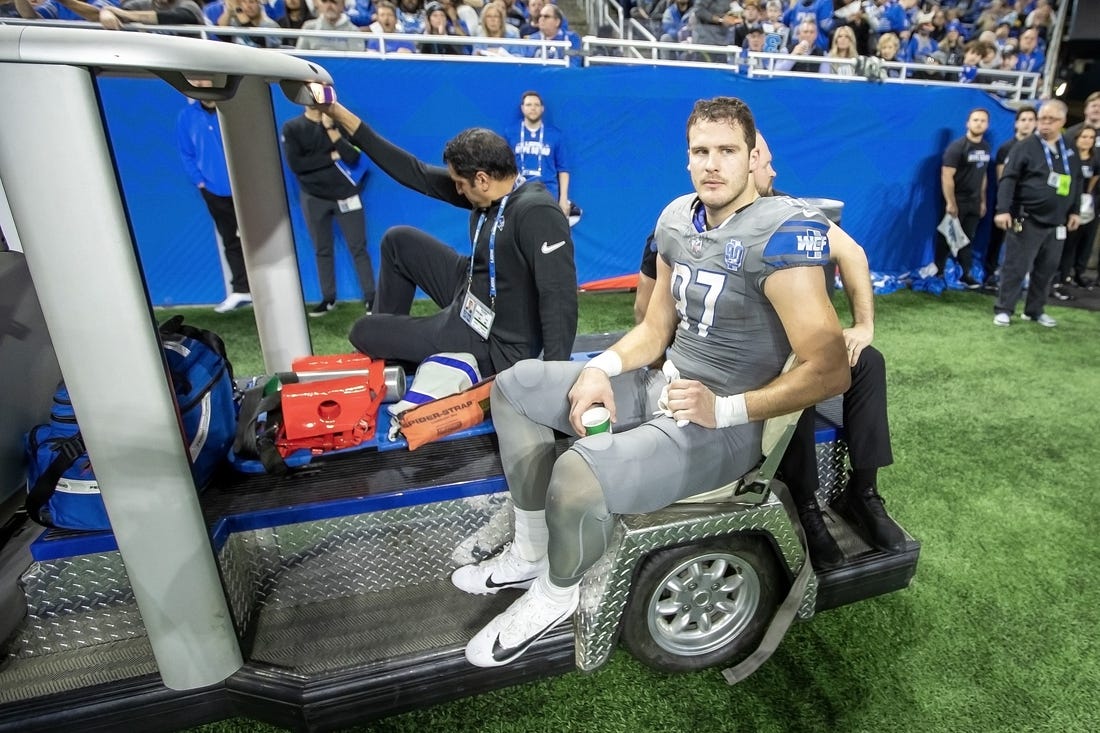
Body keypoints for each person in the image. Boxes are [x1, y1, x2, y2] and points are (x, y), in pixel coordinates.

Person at [450, 96, 850, 668]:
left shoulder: (780, 234)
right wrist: (600, 369)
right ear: (687, 158)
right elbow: (656, 326)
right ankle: (533, 551)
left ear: (752, 155)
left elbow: (830, 368)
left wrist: (729, 410)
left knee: (576, 469)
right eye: (700, 151)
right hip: (664, 384)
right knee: (515, 387)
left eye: (728, 151)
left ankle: (557, 594)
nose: (712, 164)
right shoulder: (676, 218)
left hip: (720, 426)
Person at [633, 130, 904, 567]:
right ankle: (806, 506)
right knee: (786, 375)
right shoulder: (679, 226)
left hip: (784, 346)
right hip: (724, 359)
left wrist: (863, 326)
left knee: (865, 361)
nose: (773, 170)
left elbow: (852, 252)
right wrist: (666, 360)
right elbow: (647, 309)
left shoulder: (789, 215)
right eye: (763, 159)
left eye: (733, 151)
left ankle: (864, 491)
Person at [312, 90, 577, 378]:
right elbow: (417, 173)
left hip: (496, 343)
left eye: (460, 183)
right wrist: (336, 112)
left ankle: (396, 351)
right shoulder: (489, 192)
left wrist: (554, 379)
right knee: (398, 241)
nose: (457, 189)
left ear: (482, 179)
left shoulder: (536, 212)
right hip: (475, 288)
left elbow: (559, 297)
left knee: (364, 331)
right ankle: (394, 357)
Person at [993, 100, 1082, 328]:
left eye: (1051, 120)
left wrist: (1075, 211)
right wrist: (1003, 209)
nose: (1045, 124)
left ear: (1062, 121)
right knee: (1016, 267)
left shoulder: (1070, 147)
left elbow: (1076, 182)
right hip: (1027, 218)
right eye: (1042, 119)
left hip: (1057, 222)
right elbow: (1008, 179)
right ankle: (1004, 309)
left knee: (1047, 269)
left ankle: (1035, 310)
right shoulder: (1025, 146)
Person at [281, 105, 376, 316]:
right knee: (322, 249)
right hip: (313, 197)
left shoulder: (340, 124)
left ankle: (371, 298)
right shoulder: (292, 128)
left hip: (347, 195)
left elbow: (352, 157)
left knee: (359, 248)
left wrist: (331, 130)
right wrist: (331, 157)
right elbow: (297, 165)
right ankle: (328, 299)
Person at [176, 93, 252, 314]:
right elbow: (186, 153)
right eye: (197, 81)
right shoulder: (187, 117)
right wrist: (200, 181)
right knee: (230, 239)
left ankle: (266, 287)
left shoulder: (233, 111)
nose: (202, 85)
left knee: (257, 239)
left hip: (246, 189)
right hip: (214, 191)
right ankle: (241, 289)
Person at [936, 108, 991, 289]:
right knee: (948, 236)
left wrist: (982, 200)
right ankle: (939, 271)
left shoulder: (986, 147)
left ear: (987, 124)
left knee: (967, 238)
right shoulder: (957, 147)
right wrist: (951, 202)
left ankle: (965, 273)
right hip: (957, 201)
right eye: (975, 120)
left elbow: (983, 175)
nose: (979, 123)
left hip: (974, 202)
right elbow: (946, 175)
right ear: (967, 123)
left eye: (983, 120)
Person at [984, 106, 1037, 290]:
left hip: (1029, 205)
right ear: (1016, 123)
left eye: (1031, 119)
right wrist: (1004, 204)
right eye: (1023, 119)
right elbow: (1002, 179)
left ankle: (1023, 275)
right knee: (998, 238)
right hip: (1007, 203)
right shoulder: (1006, 148)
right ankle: (992, 273)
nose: (1027, 123)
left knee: (1024, 240)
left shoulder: (1040, 149)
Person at [504, 91, 571, 218]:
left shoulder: (555, 135)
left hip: (547, 191)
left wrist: (563, 198)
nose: (533, 108)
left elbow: (563, 169)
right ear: (522, 108)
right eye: (529, 105)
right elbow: (504, 166)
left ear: (542, 108)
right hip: (518, 191)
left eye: (536, 105)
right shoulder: (510, 132)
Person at [1054, 126, 1098, 295]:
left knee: (1075, 244)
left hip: (1083, 207)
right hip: (1063, 205)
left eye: (1091, 137)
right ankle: (1053, 278)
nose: (1087, 140)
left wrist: (1084, 200)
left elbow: (1092, 181)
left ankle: (1064, 278)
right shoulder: (1067, 158)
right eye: (1084, 136)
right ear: (1076, 138)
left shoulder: (1095, 159)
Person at [296, 0, 366, 51]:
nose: (329, 6)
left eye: (333, 2)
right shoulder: (309, 27)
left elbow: (356, 63)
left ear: (343, 4)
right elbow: (300, 59)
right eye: (324, 1)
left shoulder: (354, 31)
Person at [97, 0, 205, 30]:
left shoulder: (189, 4)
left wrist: (124, 14)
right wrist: (106, 12)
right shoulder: (142, 4)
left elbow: (175, 17)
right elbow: (116, 13)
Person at [217, 0, 281, 48]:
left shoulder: (271, 25)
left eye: (251, 2)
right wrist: (229, 10)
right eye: (244, 2)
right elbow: (220, 34)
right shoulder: (235, 23)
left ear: (259, 4)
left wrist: (237, 8)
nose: (248, 6)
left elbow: (257, 39)